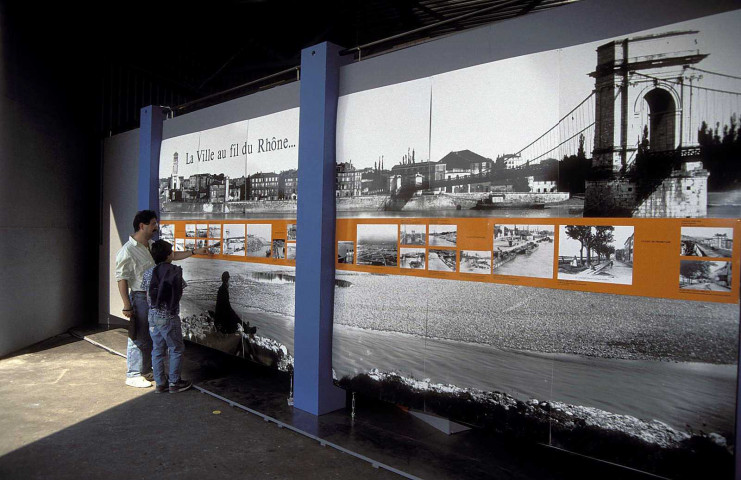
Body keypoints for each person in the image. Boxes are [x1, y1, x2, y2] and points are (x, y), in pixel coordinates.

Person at [115, 210, 207, 388]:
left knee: (151, 338)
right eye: (153, 224)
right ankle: (133, 374)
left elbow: (171, 256)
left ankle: (146, 370)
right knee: (139, 336)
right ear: (142, 226)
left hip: (154, 299)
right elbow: (121, 279)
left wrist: (194, 251)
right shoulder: (127, 251)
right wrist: (127, 305)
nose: (156, 227)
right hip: (140, 297)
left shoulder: (151, 245)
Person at [142, 240, 191, 393]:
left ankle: (160, 384)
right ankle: (175, 383)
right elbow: (179, 291)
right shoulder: (174, 272)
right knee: (175, 348)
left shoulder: (148, 273)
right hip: (169, 317)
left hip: (152, 316)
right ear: (169, 255)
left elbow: (146, 294)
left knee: (157, 349)